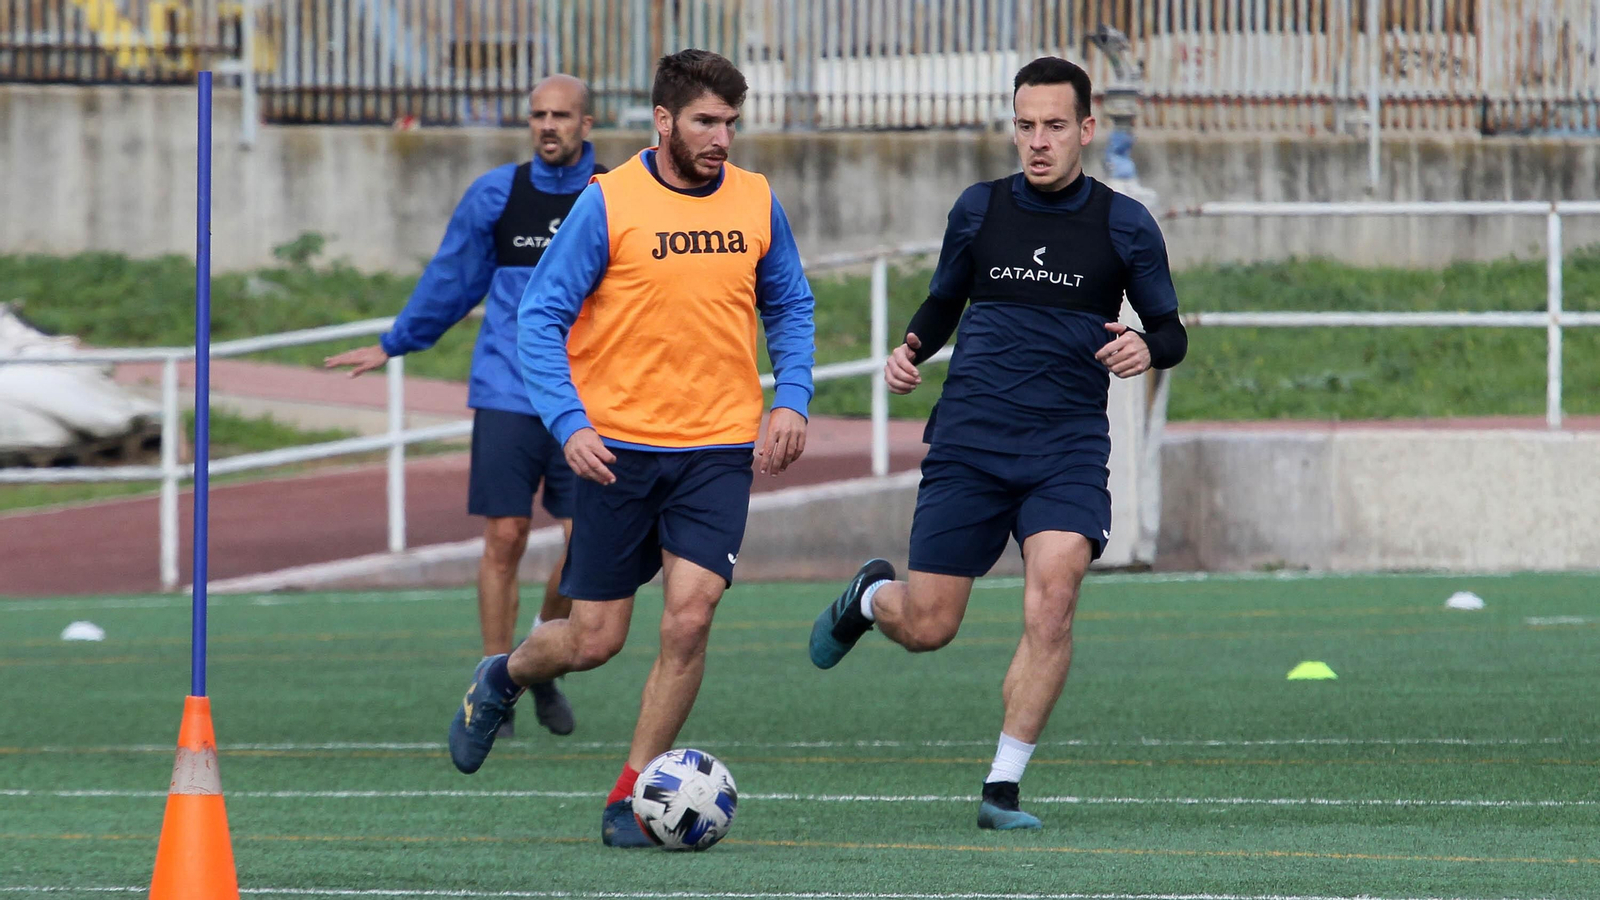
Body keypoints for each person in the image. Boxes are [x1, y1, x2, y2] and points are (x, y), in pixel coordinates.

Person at [444, 49, 816, 849]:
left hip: (718, 450)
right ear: (663, 121)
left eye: (730, 123)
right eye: (705, 122)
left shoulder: (756, 200)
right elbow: (538, 317)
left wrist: (791, 396)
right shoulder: (609, 201)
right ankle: (501, 674)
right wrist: (571, 424)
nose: (721, 138)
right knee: (594, 640)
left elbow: (789, 299)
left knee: (688, 621)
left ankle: (632, 797)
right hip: (617, 451)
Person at [807, 57, 1188, 831]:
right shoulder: (979, 209)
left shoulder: (1125, 223)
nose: (1037, 141)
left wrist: (1148, 347)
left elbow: (1172, 329)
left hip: (1066, 447)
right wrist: (911, 346)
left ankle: (1001, 787)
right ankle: (870, 598)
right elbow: (946, 297)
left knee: (1053, 601)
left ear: (1086, 128)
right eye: (1025, 125)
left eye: (1054, 125)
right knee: (929, 625)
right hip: (971, 445)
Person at [324, 75, 606, 739]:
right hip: (507, 392)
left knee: (583, 545)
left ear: (587, 124)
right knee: (504, 535)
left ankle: (537, 657)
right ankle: (492, 681)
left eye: (561, 115)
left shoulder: (613, 196)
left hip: (586, 398)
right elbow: (451, 280)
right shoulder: (496, 195)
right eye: (537, 114)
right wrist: (396, 341)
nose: (547, 126)